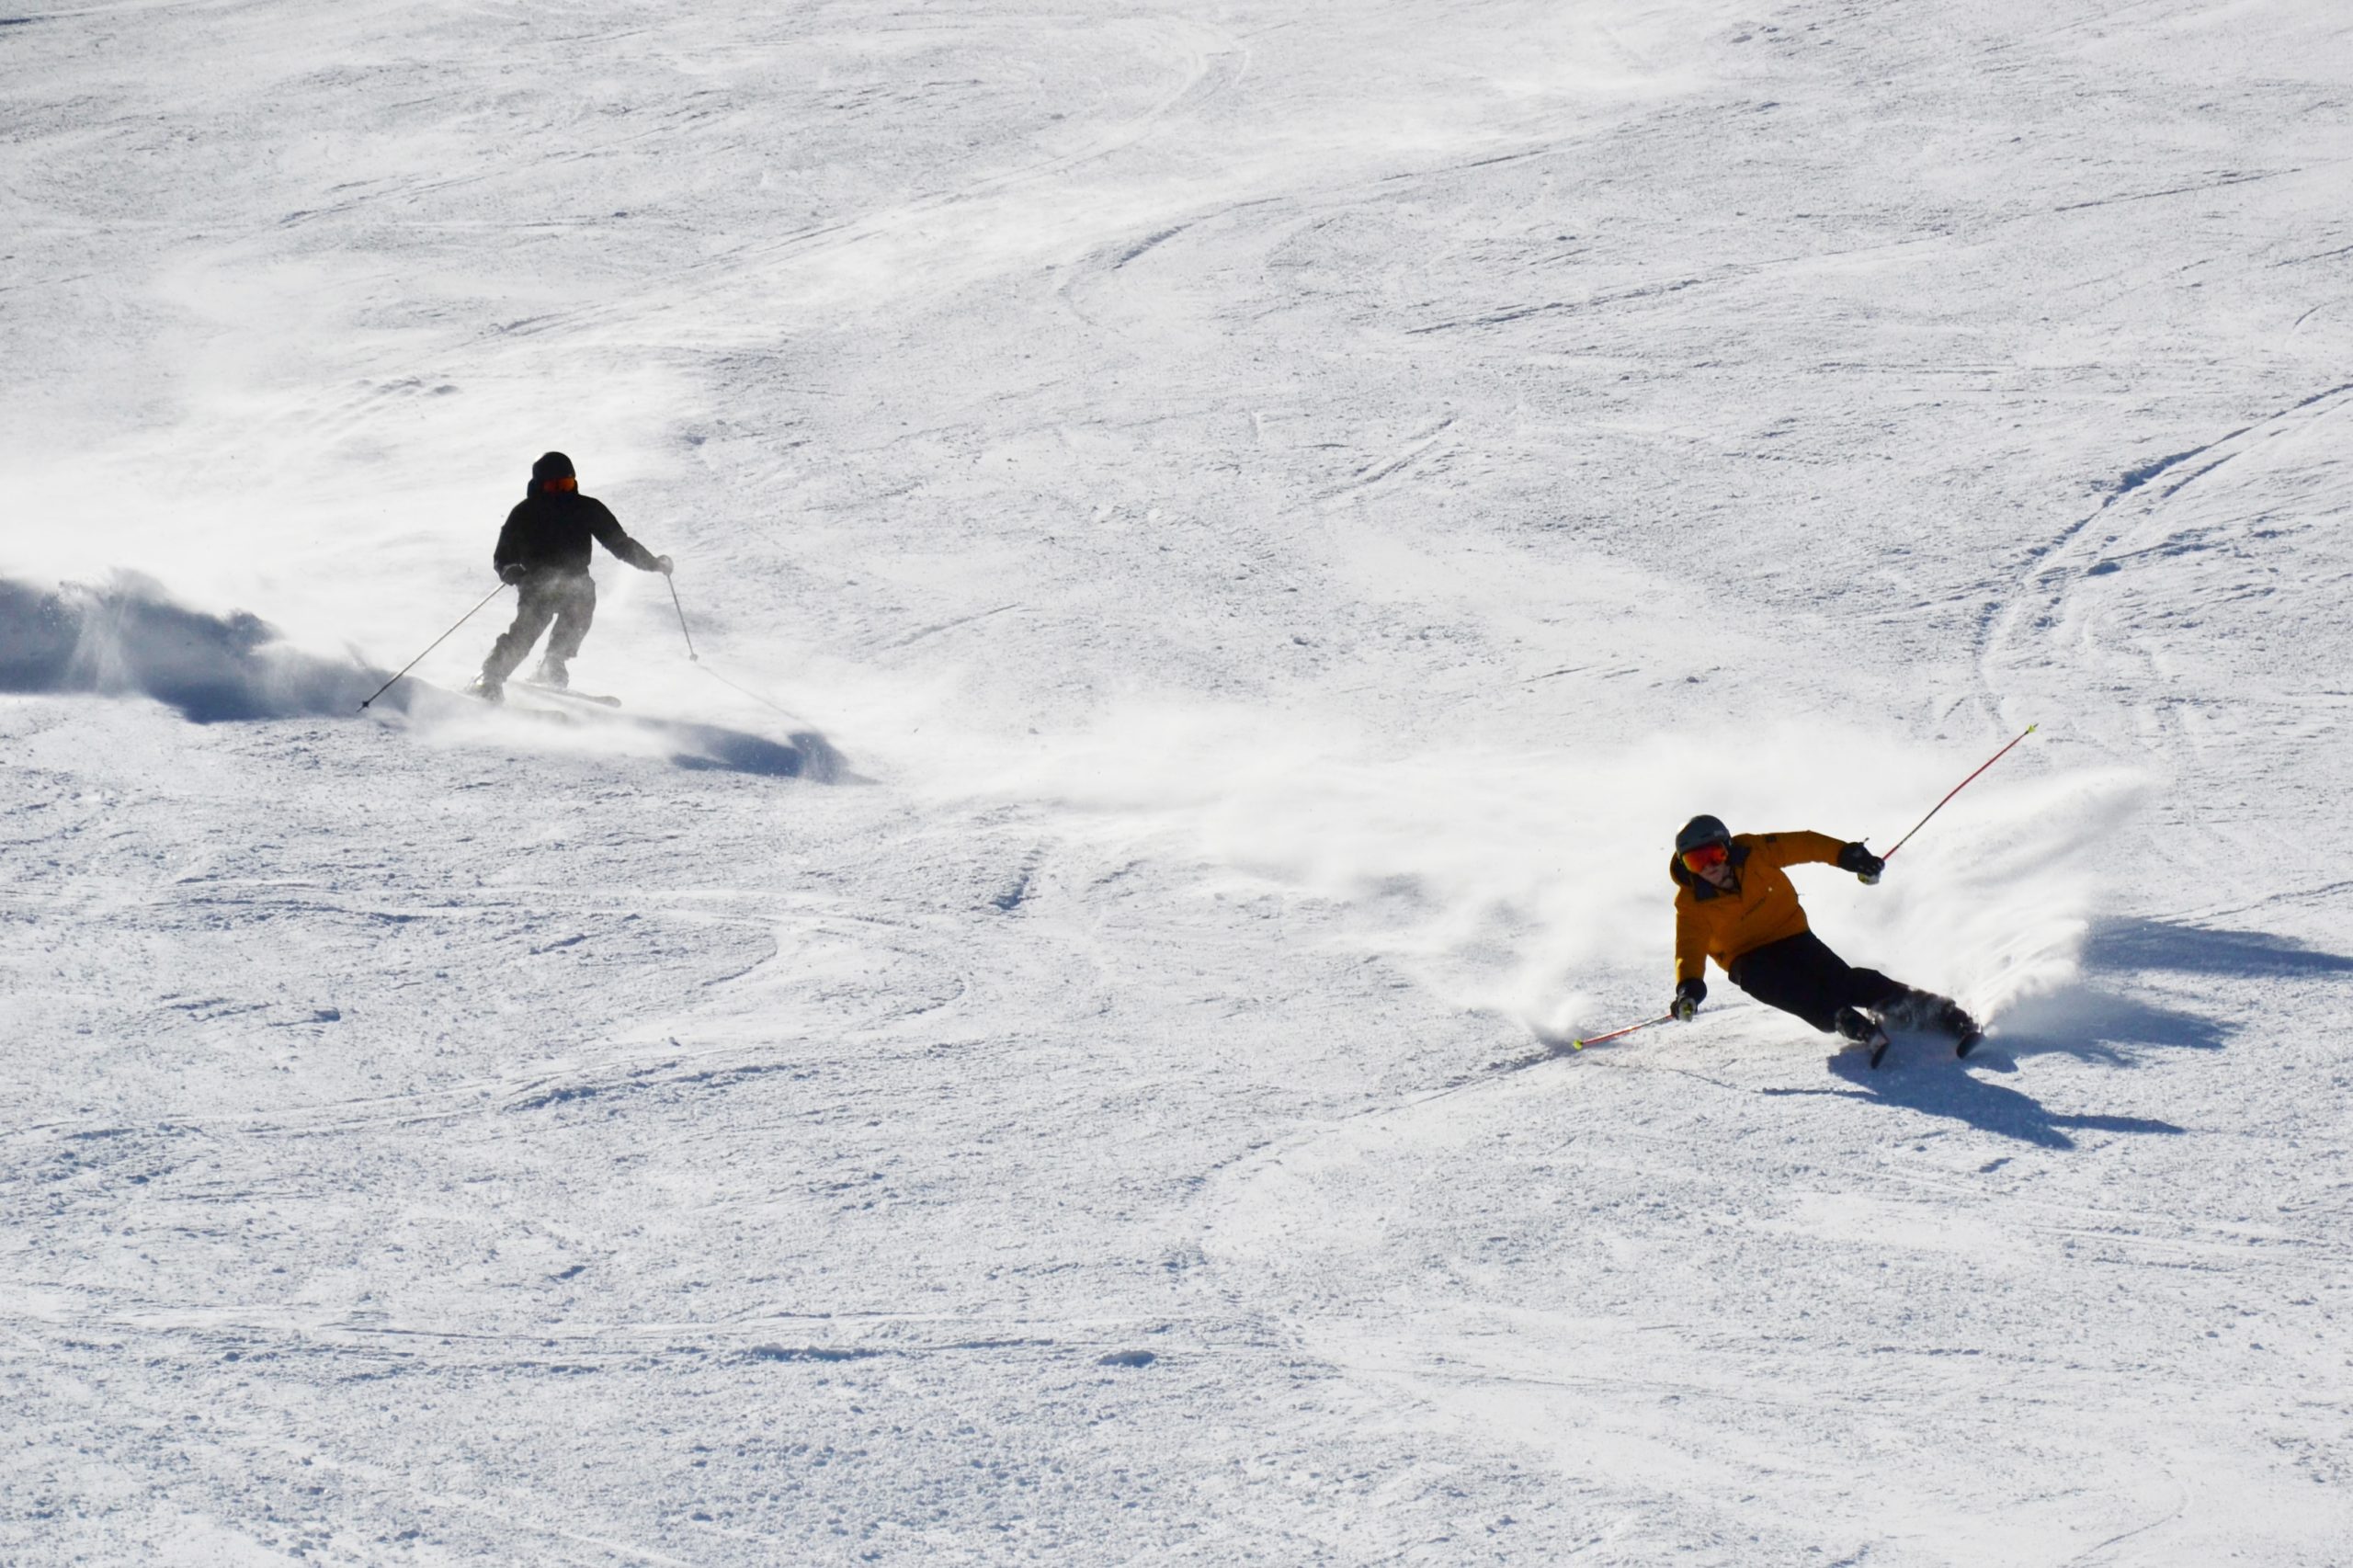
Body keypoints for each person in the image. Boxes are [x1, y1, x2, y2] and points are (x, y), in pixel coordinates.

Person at [1666, 813, 1981, 1066]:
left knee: (1842, 981)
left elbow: (1805, 844)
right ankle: (1844, 1020)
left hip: (1790, 933)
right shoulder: (1691, 902)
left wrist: (1848, 855)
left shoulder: (1755, 851)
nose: (1710, 867)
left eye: (1715, 854)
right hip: (1745, 957)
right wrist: (1689, 988)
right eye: (1696, 861)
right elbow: (1689, 948)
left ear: (1728, 848)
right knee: (1774, 985)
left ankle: (1942, 1014)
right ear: (1686, 866)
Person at [472, 451, 672, 701]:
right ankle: (489, 677)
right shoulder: (525, 513)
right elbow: (503, 555)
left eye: (565, 485)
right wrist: (512, 571)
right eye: (553, 486)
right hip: (537, 581)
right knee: (526, 631)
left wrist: (652, 563)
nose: (560, 493)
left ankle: (553, 663)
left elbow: (620, 544)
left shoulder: (586, 508)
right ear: (540, 485)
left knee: (582, 604)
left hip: (575, 579)